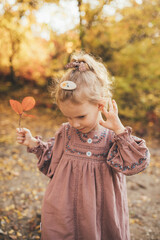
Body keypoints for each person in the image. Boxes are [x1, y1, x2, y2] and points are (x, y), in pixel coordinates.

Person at [16, 51, 150, 240]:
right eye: (68, 117)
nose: (75, 123)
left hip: (101, 214)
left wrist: (120, 130)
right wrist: (32, 143)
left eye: (80, 116)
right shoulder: (66, 132)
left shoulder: (114, 138)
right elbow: (52, 162)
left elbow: (138, 163)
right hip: (64, 211)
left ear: (100, 105)